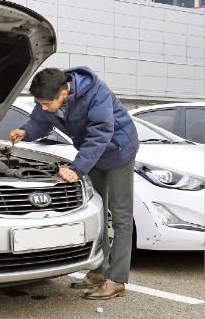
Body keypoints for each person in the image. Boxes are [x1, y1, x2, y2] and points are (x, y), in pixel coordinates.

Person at [9, 67, 139, 300]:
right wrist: (25, 131)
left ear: (63, 95)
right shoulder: (51, 96)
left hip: (119, 151)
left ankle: (117, 279)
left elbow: (100, 133)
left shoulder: (96, 92)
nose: (43, 107)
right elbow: (41, 120)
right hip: (93, 154)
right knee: (98, 212)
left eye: (47, 103)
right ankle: (99, 270)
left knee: (120, 215)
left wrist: (77, 169)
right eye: (39, 102)